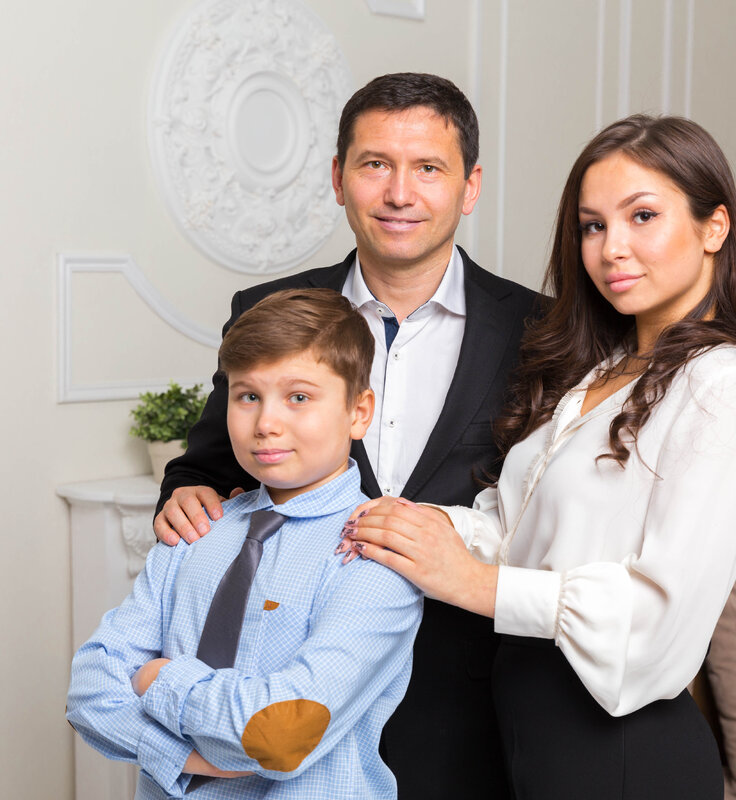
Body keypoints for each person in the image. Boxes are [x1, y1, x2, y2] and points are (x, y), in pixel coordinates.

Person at [345, 114, 736, 797]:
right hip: (532, 735)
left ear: (714, 227)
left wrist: (473, 584)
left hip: (622, 752)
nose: (612, 248)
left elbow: (657, 621)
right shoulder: (605, 372)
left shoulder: (721, 384)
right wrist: (400, 525)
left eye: (642, 216)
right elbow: (513, 530)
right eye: (592, 225)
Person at [154, 73, 537, 799]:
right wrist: (187, 491)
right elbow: (210, 461)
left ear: (470, 186)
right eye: (374, 165)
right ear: (338, 178)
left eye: (428, 168)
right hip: (291, 706)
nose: (399, 193)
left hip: (471, 718)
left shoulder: (539, 330)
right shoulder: (268, 308)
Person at [69, 289, 424, 799]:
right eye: (248, 396)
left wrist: (159, 678)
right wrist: (184, 759)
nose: (266, 424)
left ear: (359, 412)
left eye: (298, 397)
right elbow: (89, 690)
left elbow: (282, 735)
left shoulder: (374, 555)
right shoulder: (195, 529)